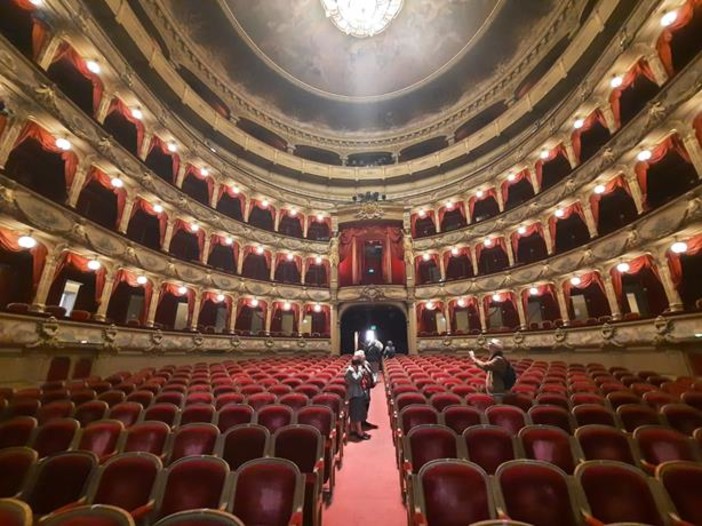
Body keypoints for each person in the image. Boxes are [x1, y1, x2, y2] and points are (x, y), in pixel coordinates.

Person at [345, 352, 372, 440]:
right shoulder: (350, 371)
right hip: (354, 394)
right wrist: (361, 371)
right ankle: (360, 432)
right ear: (356, 364)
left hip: (358, 393)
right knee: (356, 414)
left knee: (355, 413)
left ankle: (353, 429)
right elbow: (356, 379)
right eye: (359, 365)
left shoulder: (354, 369)